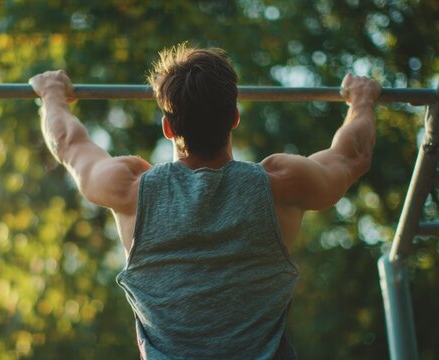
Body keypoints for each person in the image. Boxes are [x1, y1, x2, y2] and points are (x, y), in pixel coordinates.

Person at [29, 44, 381, 359]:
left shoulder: (130, 189)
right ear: (234, 117)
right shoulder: (282, 184)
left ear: (168, 127)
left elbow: (69, 144)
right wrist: (362, 100)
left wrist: (52, 94)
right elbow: (352, 156)